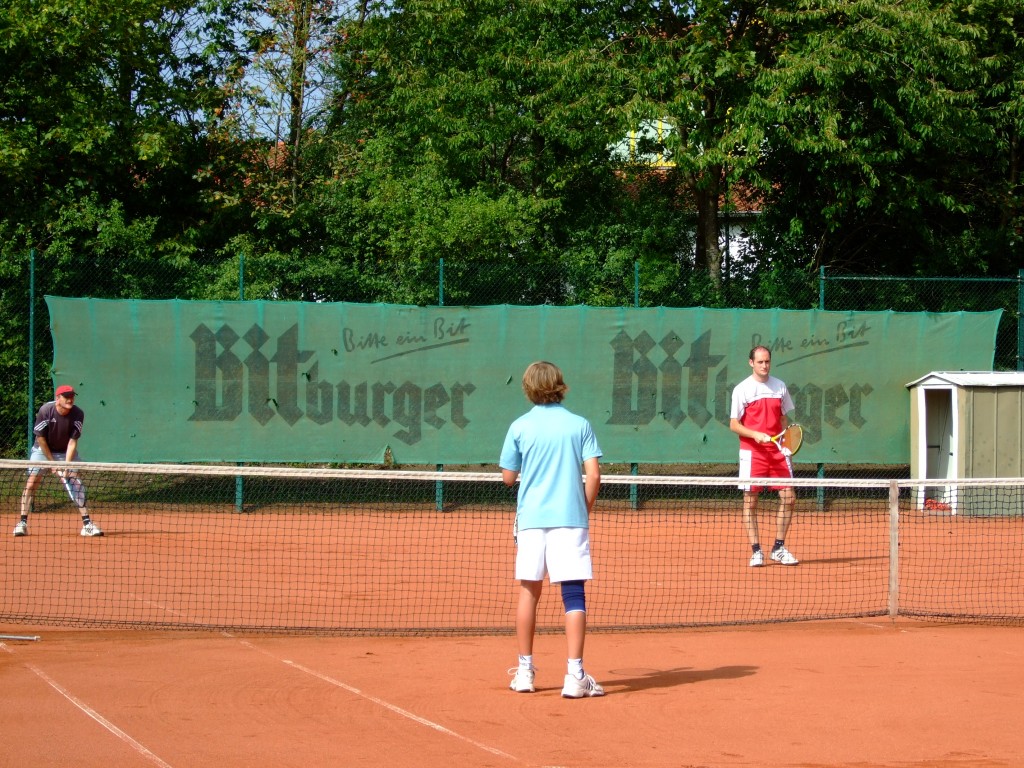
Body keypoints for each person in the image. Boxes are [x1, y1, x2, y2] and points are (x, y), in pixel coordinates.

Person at [500, 361, 604, 698]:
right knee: (573, 594)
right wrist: (582, 509)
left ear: (528, 387)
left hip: (531, 521)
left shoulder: (519, 426)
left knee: (529, 592)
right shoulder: (580, 425)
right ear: (559, 384)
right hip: (570, 521)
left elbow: (507, 478)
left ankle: (525, 672)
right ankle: (575, 676)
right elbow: (595, 476)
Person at [729, 346, 797, 567]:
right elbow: (733, 424)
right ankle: (756, 550)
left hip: (777, 451)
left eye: (767, 361)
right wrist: (755, 434)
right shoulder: (742, 389)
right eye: (760, 362)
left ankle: (778, 548)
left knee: (789, 498)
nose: (764, 366)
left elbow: (784, 418)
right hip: (752, 453)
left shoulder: (780, 386)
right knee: (750, 502)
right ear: (751, 363)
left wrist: (784, 441)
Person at [14, 385, 103, 537]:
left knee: (75, 481)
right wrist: (53, 464)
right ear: (58, 398)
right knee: (32, 482)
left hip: (65, 451)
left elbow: (72, 442)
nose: (70, 399)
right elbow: (41, 438)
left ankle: (87, 524)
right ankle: (22, 523)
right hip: (42, 450)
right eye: (66, 396)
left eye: (72, 396)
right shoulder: (45, 410)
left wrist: (66, 466)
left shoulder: (78, 413)